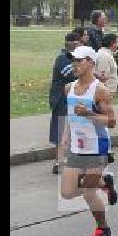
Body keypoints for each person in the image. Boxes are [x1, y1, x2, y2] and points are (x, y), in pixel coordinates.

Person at [58, 45, 118, 236]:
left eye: (80, 60)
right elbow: (70, 115)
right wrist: (65, 138)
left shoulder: (99, 90)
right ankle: (105, 183)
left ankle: (104, 230)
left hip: (97, 147)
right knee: (66, 192)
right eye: (73, 60)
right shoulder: (69, 88)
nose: (75, 64)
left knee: (87, 192)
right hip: (77, 147)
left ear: (91, 63)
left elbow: (111, 122)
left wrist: (90, 114)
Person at [49, 32, 80, 174]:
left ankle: (65, 159)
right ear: (73, 43)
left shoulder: (71, 58)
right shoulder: (62, 58)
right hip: (61, 99)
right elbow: (71, 73)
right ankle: (59, 161)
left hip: (68, 99)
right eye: (79, 42)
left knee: (67, 130)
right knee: (60, 130)